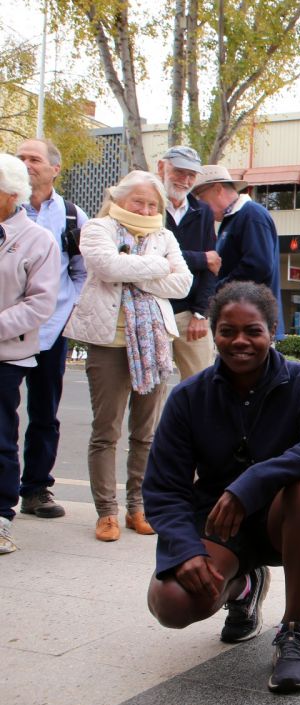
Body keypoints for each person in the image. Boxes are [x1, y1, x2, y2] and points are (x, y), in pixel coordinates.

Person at [144, 281, 300, 694]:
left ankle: (292, 630)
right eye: (227, 331)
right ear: (213, 332)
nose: (240, 341)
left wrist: (253, 481)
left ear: (272, 331)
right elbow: (164, 490)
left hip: (281, 520)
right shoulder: (187, 398)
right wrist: (185, 550)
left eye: (253, 331)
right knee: (172, 603)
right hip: (220, 526)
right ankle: (245, 586)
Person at [64, 171, 193, 542]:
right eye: (139, 201)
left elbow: (182, 283)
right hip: (108, 343)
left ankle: (138, 506)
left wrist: (130, 270)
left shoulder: (164, 235)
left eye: (153, 203)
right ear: (119, 198)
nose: (146, 208)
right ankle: (106, 512)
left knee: (147, 434)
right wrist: (156, 268)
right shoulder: (98, 228)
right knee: (106, 432)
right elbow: (105, 267)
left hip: (154, 343)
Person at [11, 138, 87, 520]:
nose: (27, 164)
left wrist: (65, 314)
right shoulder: (7, 209)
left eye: (34, 159)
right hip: (7, 333)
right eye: (21, 158)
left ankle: (36, 489)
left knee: (44, 415)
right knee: (4, 415)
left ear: (55, 169)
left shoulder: (73, 216)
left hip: (51, 332)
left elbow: (82, 273)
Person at [0, 154, 61, 554]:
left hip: (6, 354)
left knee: (0, 435)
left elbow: (41, 304)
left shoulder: (39, 240)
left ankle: (2, 514)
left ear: (9, 193)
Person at [190, 165, 283, 337]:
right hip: (244, 318)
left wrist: (217, 290)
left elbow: (258, 266)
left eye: (201, 198)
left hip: (254, 320)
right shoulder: (234, 218)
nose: (200, 206)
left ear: (217, 189)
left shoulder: (251, 214)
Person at [158, 146, 217, 379]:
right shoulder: (147, 205)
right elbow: (149, 258)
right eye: (180, 171)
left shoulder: (203, 212)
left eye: (191, 175)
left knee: (202, 386)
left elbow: (214, 267)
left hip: (189, 313)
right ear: (162, 167)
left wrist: (201, 313)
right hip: (152, 310)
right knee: (150, 393)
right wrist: (200, 258)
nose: (185, 180)